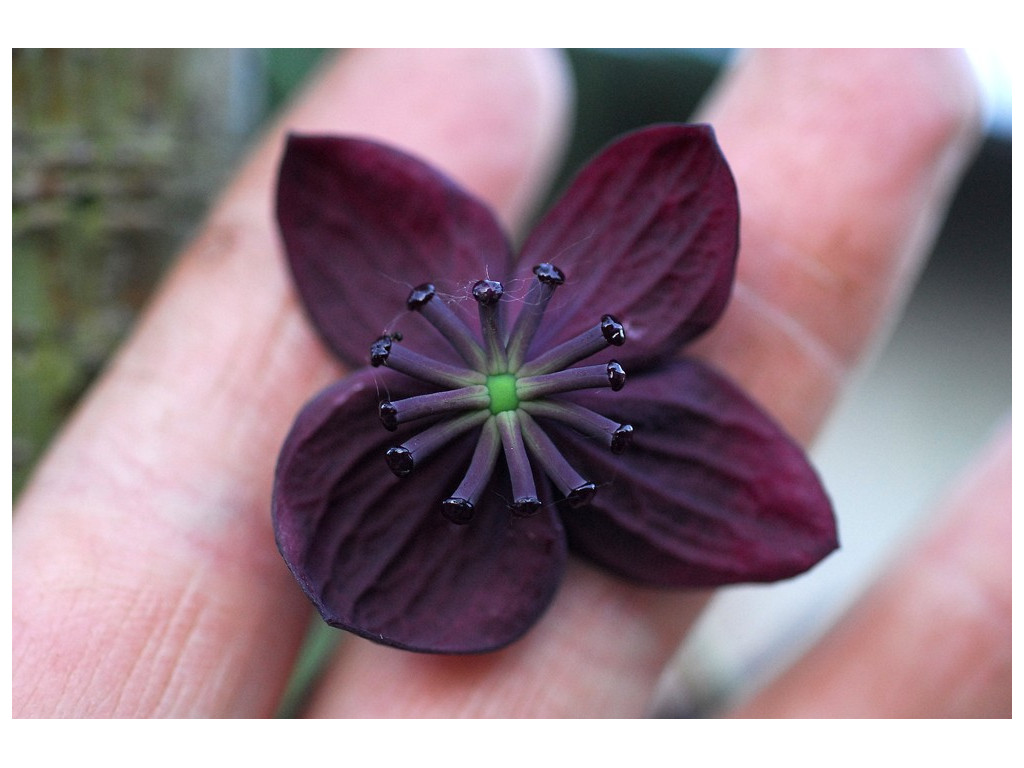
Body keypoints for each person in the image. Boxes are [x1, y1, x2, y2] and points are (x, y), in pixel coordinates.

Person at [12, 48, 1010, 717]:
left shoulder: (649, 314)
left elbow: (765, 510)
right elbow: (336, 198)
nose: (502, 397)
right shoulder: (353, 223)